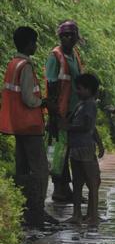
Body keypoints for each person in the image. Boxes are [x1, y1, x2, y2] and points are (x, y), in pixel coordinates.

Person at [0, 27, 59, 227]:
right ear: (27, 44)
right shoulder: (25, 66)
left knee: (22, 169)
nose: (36, 46)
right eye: (34, 42)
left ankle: (23, 210)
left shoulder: (12, 64)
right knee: (40, 170)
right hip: (30, 125)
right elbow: (28, 98)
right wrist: (43, 102)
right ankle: (37, 212)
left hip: (17, 125)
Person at [46, 20, 85, 203]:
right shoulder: (55, 56)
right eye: (65, 35)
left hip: (74, 111)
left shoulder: (74, 55)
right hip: (61, 112)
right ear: (60, 37)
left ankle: (66, 189)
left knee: (66, 150)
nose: (69, 38)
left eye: (72, 35)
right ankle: (59, 190)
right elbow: (52, 84)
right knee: (59, 151)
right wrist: (53, 116)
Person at [61, 73, 104, 225]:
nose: (77, 92)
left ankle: (92, 215)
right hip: (76, 147)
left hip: (85, 147)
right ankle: (77, 214)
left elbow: (88, 127)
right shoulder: (81, 104)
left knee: (93, 182)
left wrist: (68, 127)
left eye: (79, 89)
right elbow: (92, 127)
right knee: (78, 182)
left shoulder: (90, 105)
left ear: (89, 89)